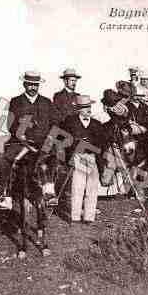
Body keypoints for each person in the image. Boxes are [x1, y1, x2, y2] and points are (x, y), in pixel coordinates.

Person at [0, 71, 57, 210]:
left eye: (35, 84)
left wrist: (50, 137)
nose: (33, 87)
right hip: (21, 141)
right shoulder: (16, 102)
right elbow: (10, 125)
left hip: (42, 141)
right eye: (30, 84)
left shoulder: (46, 102)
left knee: (53, 157)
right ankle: (6, 196)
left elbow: (55, 123)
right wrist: (20, 135)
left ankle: (49, 191)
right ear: (24, 84)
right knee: (7, 160)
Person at [60, 95, 104, 224]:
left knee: (92, 188)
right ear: (78, 109)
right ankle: (75, 217)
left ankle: (89, 217)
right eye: (85, 107)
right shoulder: (70, 122)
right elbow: (64, 139)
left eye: (89, 106)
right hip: (77, 157)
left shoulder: (96, 124)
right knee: (77, 188)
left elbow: (101, 142)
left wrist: (93, 147)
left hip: (92, 157)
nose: (88, 110)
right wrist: (73, 148)